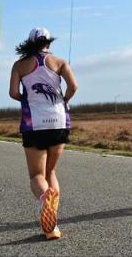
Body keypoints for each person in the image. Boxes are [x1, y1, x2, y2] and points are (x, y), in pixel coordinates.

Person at [9, 27, 78, 241]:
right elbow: (73, 86)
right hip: (59, 121)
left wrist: (27, 98)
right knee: (51, 172)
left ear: (30, 42)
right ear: (48, 42)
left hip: (34, 123)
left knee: (37, 176)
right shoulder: (60, 62)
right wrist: (64, 100)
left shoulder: (20, 65)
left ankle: (45, 203)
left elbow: (13, 93)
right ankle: (52, 226)